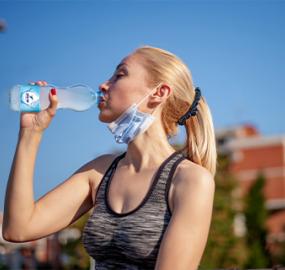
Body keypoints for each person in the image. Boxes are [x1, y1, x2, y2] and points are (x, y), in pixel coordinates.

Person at [3, 45, 216, 270]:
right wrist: (30, 134)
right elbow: (18, 229)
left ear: (158, 93)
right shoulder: (101, 171)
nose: (103, 85)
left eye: (120, 75)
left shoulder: (189, 180)